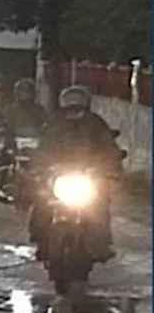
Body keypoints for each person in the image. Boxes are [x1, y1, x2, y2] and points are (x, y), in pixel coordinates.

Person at [26, 85, 124, 260]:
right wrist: (38, 164)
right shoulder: (54, 122)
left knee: (100, 205)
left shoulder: (96, 123)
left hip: (88, 174)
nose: (74, 105)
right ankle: (40, 239)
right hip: (57, 174)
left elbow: (108, 146)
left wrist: (112, 163)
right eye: (70, 101)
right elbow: (42, 146)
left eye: (78, 101)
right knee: (41, 201)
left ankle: (102, 243)